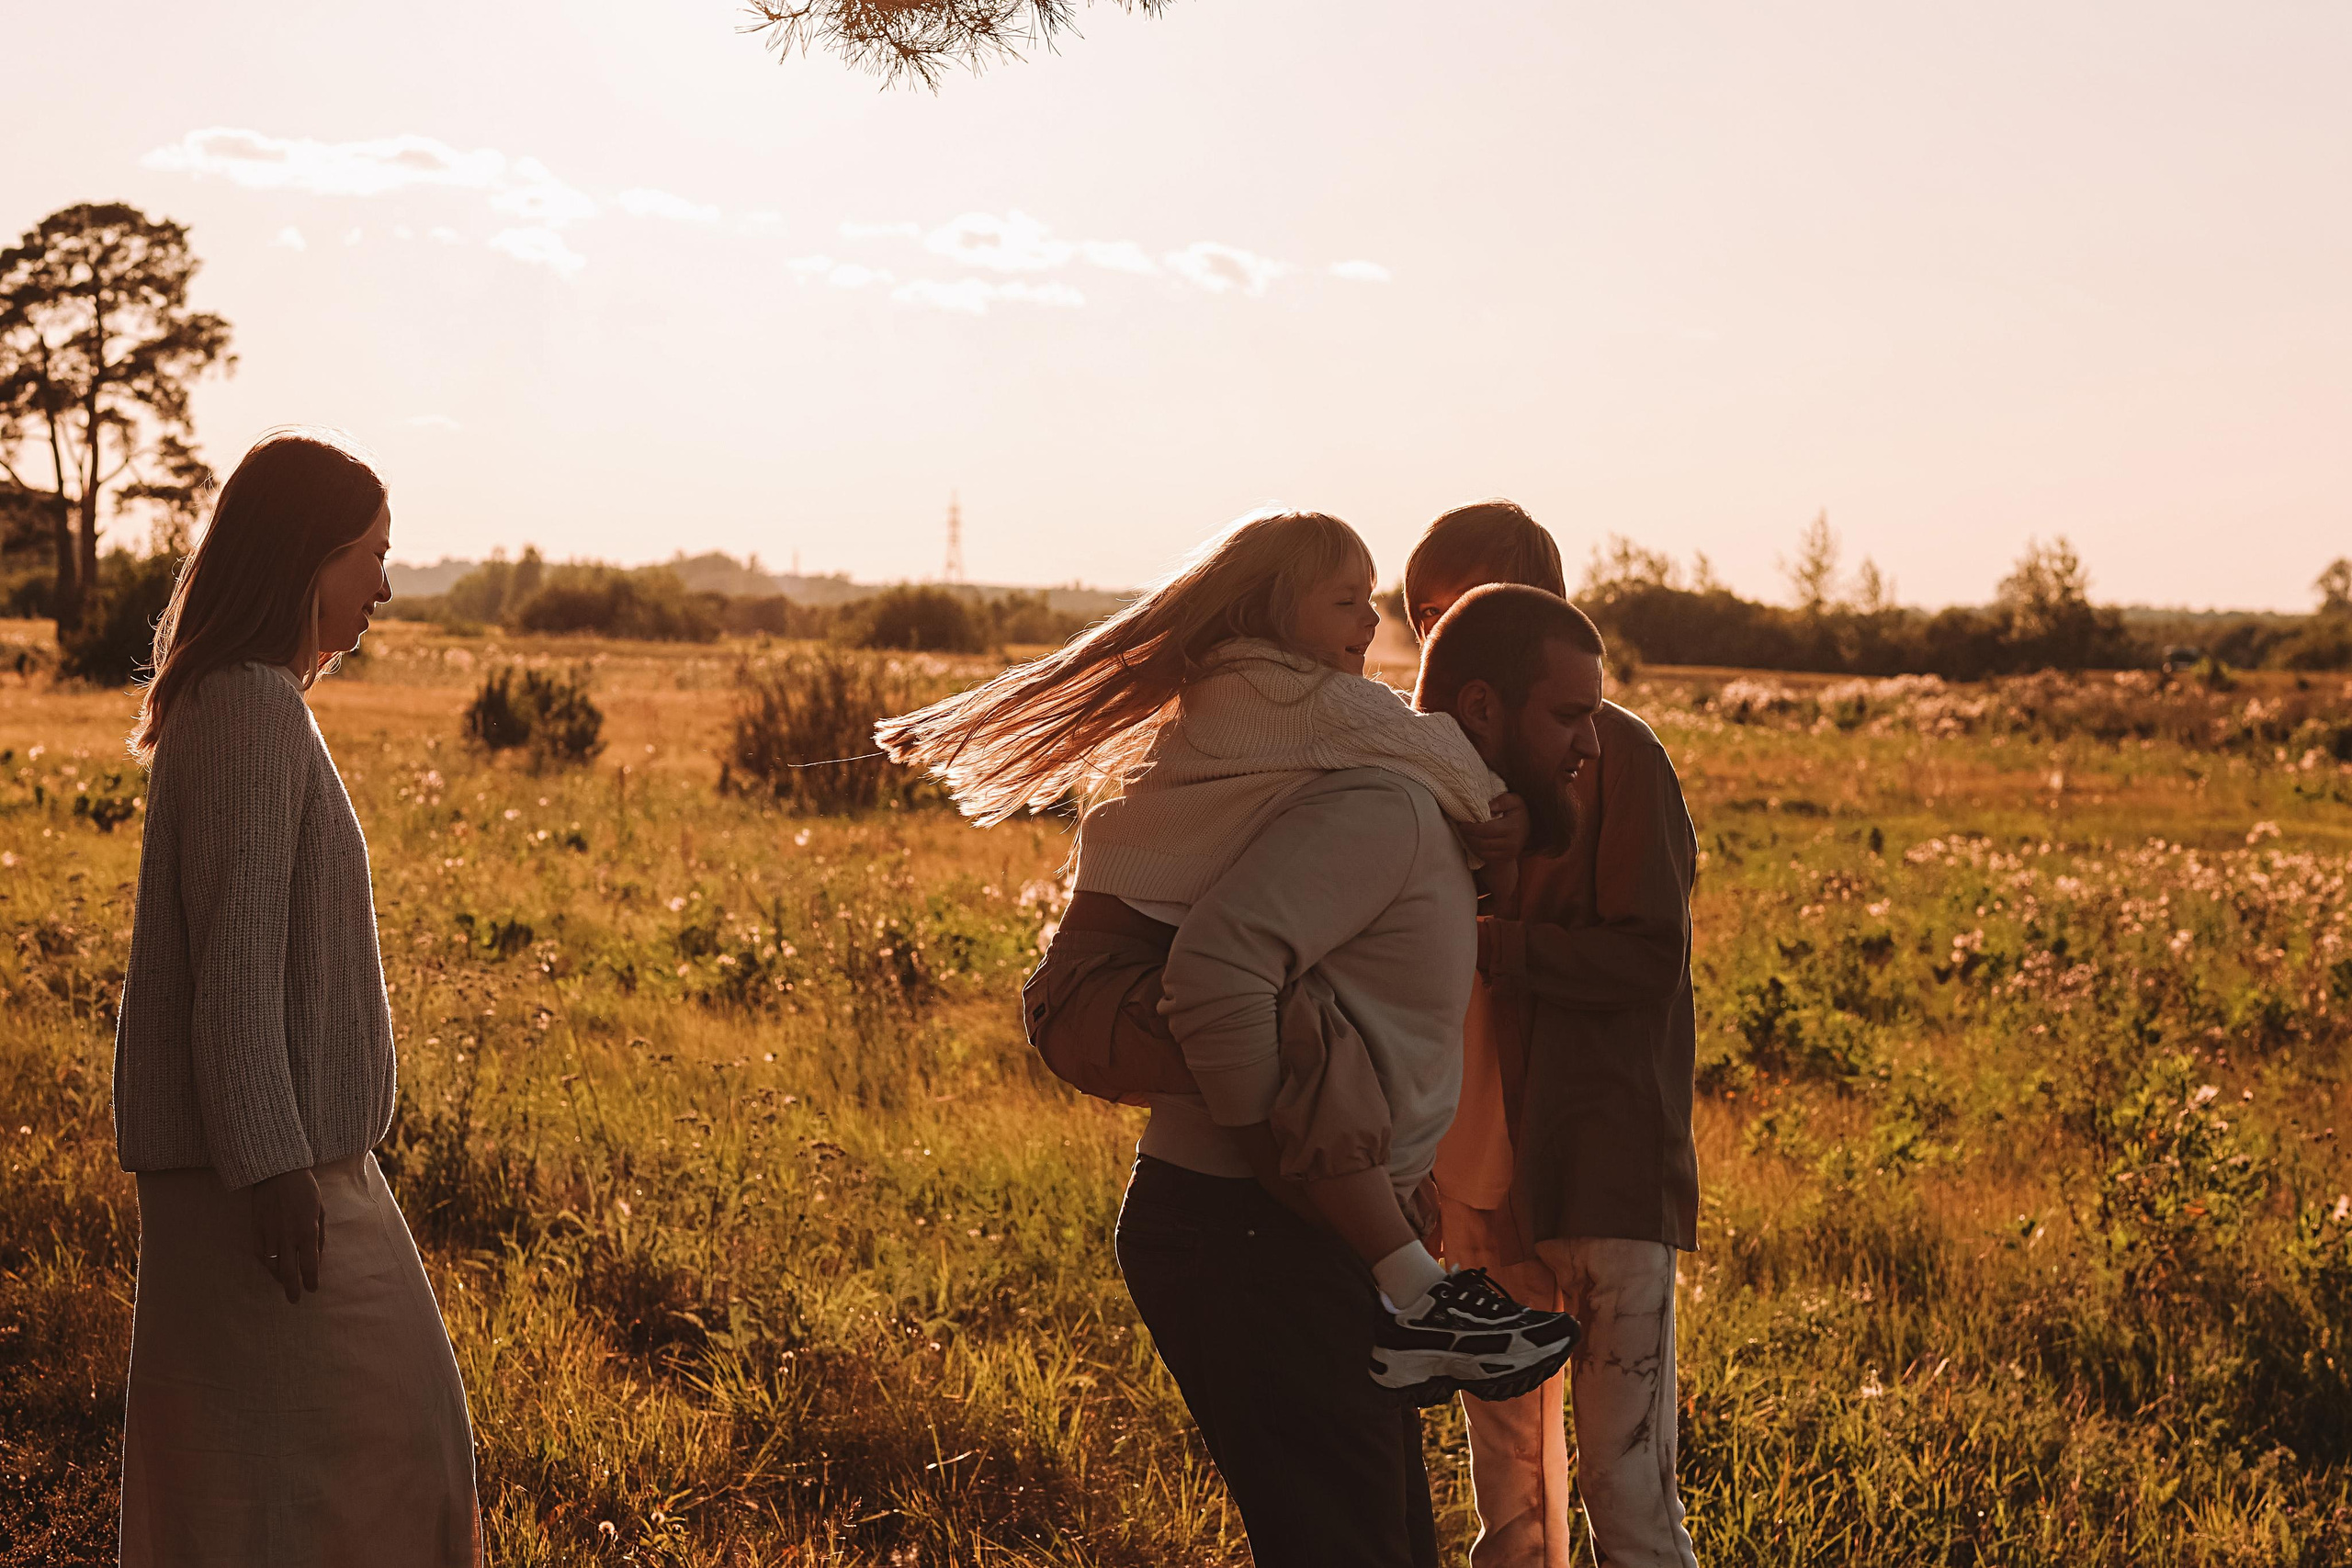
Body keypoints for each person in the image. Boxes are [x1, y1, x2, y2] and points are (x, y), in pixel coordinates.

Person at [879, 508, 1575, 1396]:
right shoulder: (1296, 699)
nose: (1372, 623)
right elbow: (1436, 749)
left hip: (1092, 984)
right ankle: (1413, 1290)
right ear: (1272, 612)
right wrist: (1507, 813)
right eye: (1346, 601)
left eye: (1370, 600)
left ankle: (1400, 1269)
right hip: (1104, 986)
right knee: (1312, 1045)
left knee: (1305, 1026)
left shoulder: (1241, 691)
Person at [112, 428, 481, 1566]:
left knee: (280, 1477)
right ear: (304, 556)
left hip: (287, 1166)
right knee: (369, 1458)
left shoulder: (252, 701)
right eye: (372, 555)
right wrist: (273, 1170)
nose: (384, 586)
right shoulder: (247, 710)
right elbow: (233, 967)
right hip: (267, 1181)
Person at [1410, 502, 1702, 1568]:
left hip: (1600, 1170)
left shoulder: (1616, 753)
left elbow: (1648, 956)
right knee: (1513, 1510)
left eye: (1456, 612)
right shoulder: (1420, 769)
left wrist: (1491, 943)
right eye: (1423, 618)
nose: (1436, 643)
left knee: (1630, 1498)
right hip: (1477, 1186)